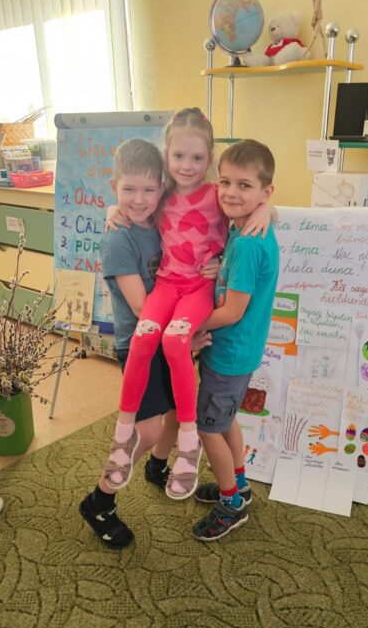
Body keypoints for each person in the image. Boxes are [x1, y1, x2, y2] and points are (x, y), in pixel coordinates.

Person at [100, 108, 273, 508]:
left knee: (176, 344)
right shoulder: (159, 195)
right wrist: (112, 209)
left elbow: (249, 204)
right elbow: (132, 200)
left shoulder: (216, 193)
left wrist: (266, 208)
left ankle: (190, 441)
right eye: (178, 156)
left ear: (209, 159)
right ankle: (123, 437)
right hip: (167, 285)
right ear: (167, 156)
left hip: (197, 288)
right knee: (144, 337)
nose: (187, 165)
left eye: (197, 158)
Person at [79, 138, 215, 549]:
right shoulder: (118, 239)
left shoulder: (161, 219)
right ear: (115, 187)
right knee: (149, 428)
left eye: (148, 190)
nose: (138, 200)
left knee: (175, 410)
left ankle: (157, 468)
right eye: (128, 190)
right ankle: (100, 500)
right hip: (139, 341)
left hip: (170, 336)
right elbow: (141, 307)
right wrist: (186, 334)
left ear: (161, 189)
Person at [192, 139, 280, 542]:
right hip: (238, 351)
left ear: (265, 191)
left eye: (244, 185)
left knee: (208, 428)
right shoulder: (246, 227)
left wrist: (187, 328)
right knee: (225, 421)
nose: (230, 192)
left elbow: (231, 312)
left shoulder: (246, 243)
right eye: (224, 181)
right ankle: (239, 484)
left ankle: (232, 504)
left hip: (229, 352)